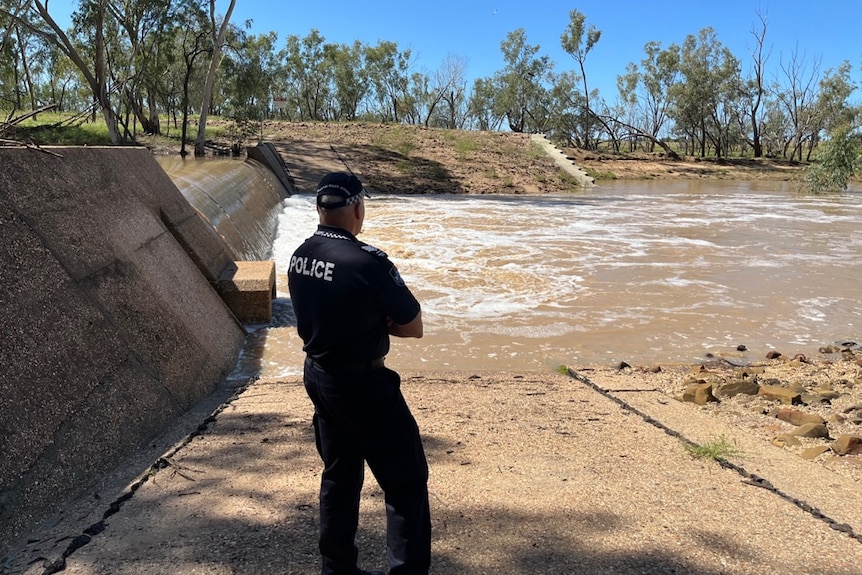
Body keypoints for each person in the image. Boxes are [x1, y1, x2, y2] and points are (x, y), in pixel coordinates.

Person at [287, 172, 431, 575]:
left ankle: (337, 569)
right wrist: (375, 320)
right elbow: (413, 326)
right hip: (363, 385)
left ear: (319, 208)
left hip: (318, 376)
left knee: (340, 475)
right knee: (405, 483)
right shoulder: (368, 262)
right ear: (357, 208)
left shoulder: (300, 256)